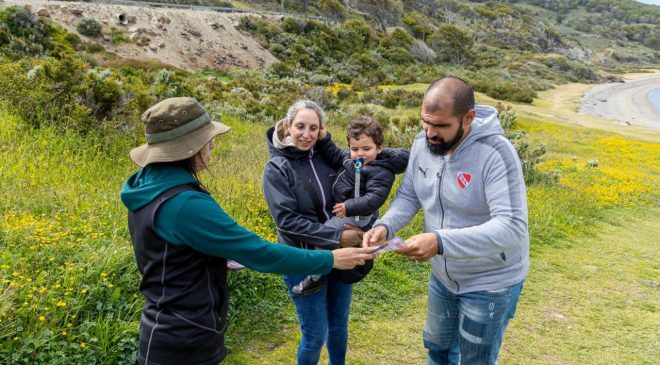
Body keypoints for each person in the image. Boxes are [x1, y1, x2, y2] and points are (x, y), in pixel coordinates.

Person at [120, 97, 375, 365]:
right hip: (186, 337)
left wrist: (213, 259)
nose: (212, 146)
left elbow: (170, 254)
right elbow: (260, 252)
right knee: (315, 334)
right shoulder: (185, 203)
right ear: (189, 147)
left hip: (164, 328)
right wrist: (331, 258)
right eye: (207, 140)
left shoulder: (148, 187)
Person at [363, 76, 529, 365]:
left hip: (490, 280)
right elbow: (410, 195)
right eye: (425, 123)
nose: (430, 134)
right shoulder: (422, 144)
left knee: (474, 360)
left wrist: (440, 241)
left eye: (440, 126)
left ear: (468, 118)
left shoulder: (496, 154)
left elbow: (511, 226)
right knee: (438, 351)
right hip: (443, 277)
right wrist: (384, 225)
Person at [262, 100, 365, 365]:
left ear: (321, 131)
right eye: (300, 126)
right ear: (287, 126)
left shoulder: (325, 157)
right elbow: (286, 222)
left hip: (339, 256)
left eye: (313, 128)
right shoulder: (277, 167)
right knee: (315, 334)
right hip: (302, 258)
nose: (306, 134)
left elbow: (357, 173)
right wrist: (336, 236)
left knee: (339, 324)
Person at [297, 115, 409, 292]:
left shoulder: (381, 171)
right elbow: (334, 155)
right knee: (331, 237)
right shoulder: (352, 159)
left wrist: (348, 207)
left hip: (357, 216)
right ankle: (341, 262)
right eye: (354, 149)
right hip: (350, 212)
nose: (360, 154)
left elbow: (373, 199)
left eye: (366, 148)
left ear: (379, 148)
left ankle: (315, 277)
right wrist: (324, 138)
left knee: (323, 236)